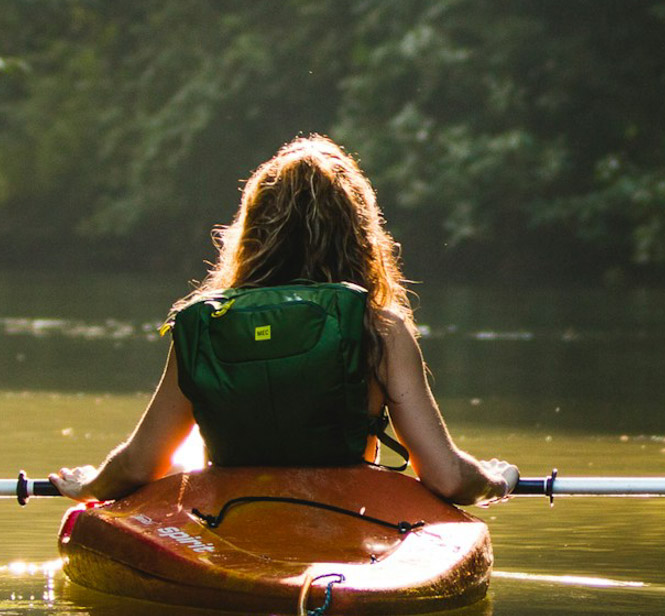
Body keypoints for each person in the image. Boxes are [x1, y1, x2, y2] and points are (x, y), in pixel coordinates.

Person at [51, 135, 518, 505]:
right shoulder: (380, 331)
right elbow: (447, 478)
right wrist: (494, 480)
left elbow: (138, 466)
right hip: (348, 517)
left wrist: (92, 485)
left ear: (252, 230)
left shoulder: (206, 327)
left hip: (231, 517)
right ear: (359, 234)